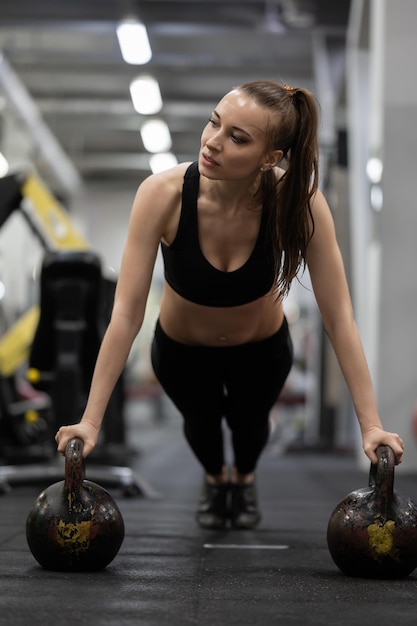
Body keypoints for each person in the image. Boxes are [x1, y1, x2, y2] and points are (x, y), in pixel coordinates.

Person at [55, 80, 404, 530]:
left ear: (270, 158)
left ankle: (243, 479)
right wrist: (90, 421)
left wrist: (371, 424)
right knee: (201, 429)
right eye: (214, 123)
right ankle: (217, 479)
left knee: (250, 427)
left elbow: (339, 317)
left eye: (238, 138)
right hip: (181, 351)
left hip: (261, 350)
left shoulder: (298, 205)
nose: (213, 143)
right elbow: (125, 313)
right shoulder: (161, 194)